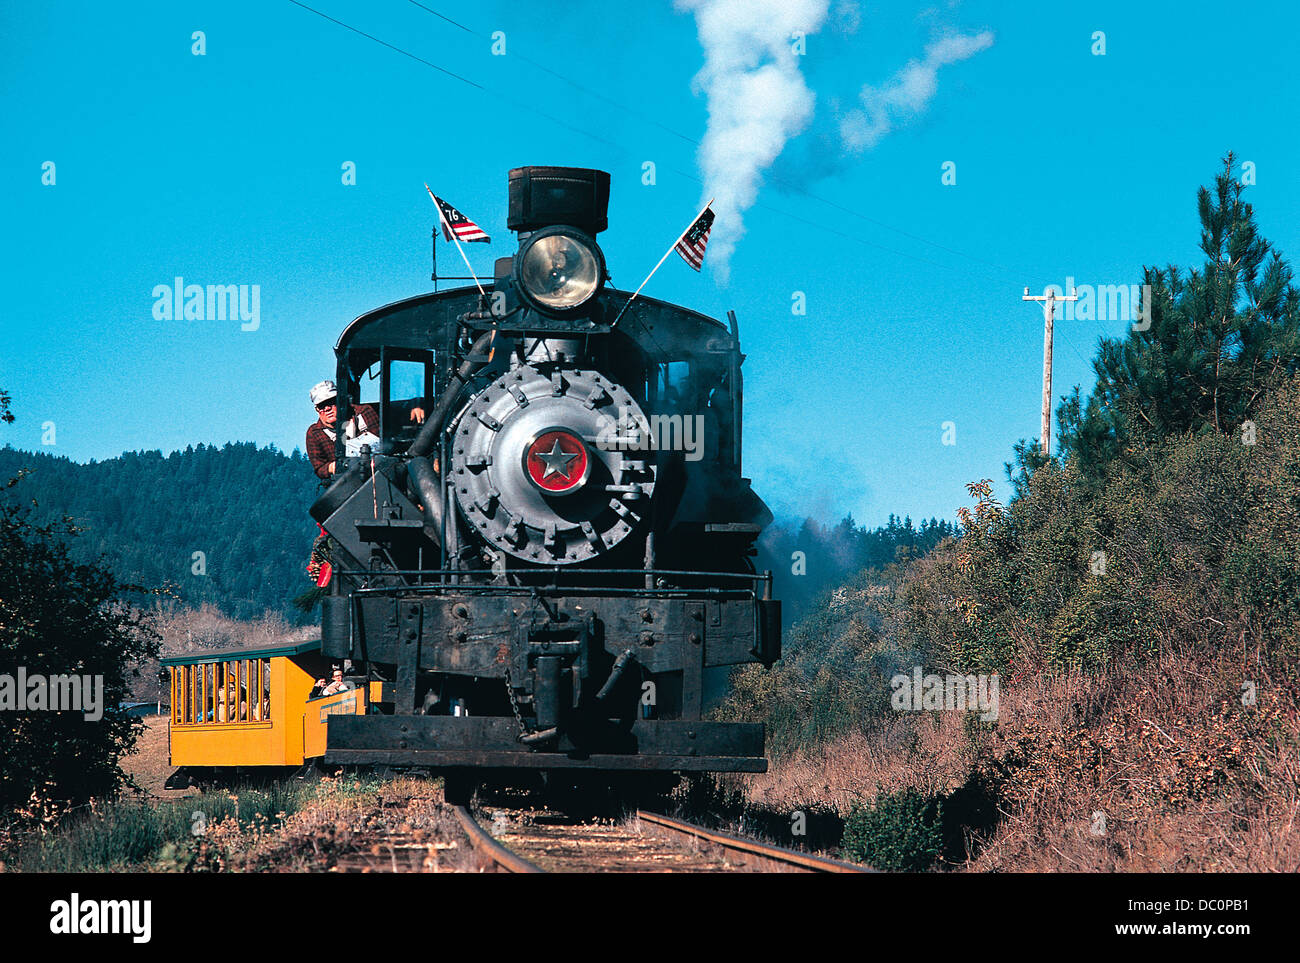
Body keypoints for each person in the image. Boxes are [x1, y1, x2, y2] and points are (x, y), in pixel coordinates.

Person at [305, 381, 427, 481]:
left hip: (384, 471)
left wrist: (416, 405)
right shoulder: (314, 434)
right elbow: (320, 468)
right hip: (348, 483)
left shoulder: (364, 412)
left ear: (339, 400)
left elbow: (386, 434)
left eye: (330, 403)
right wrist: (339, 466)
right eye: (321, 406)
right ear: (316, 409)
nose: (327, 409)